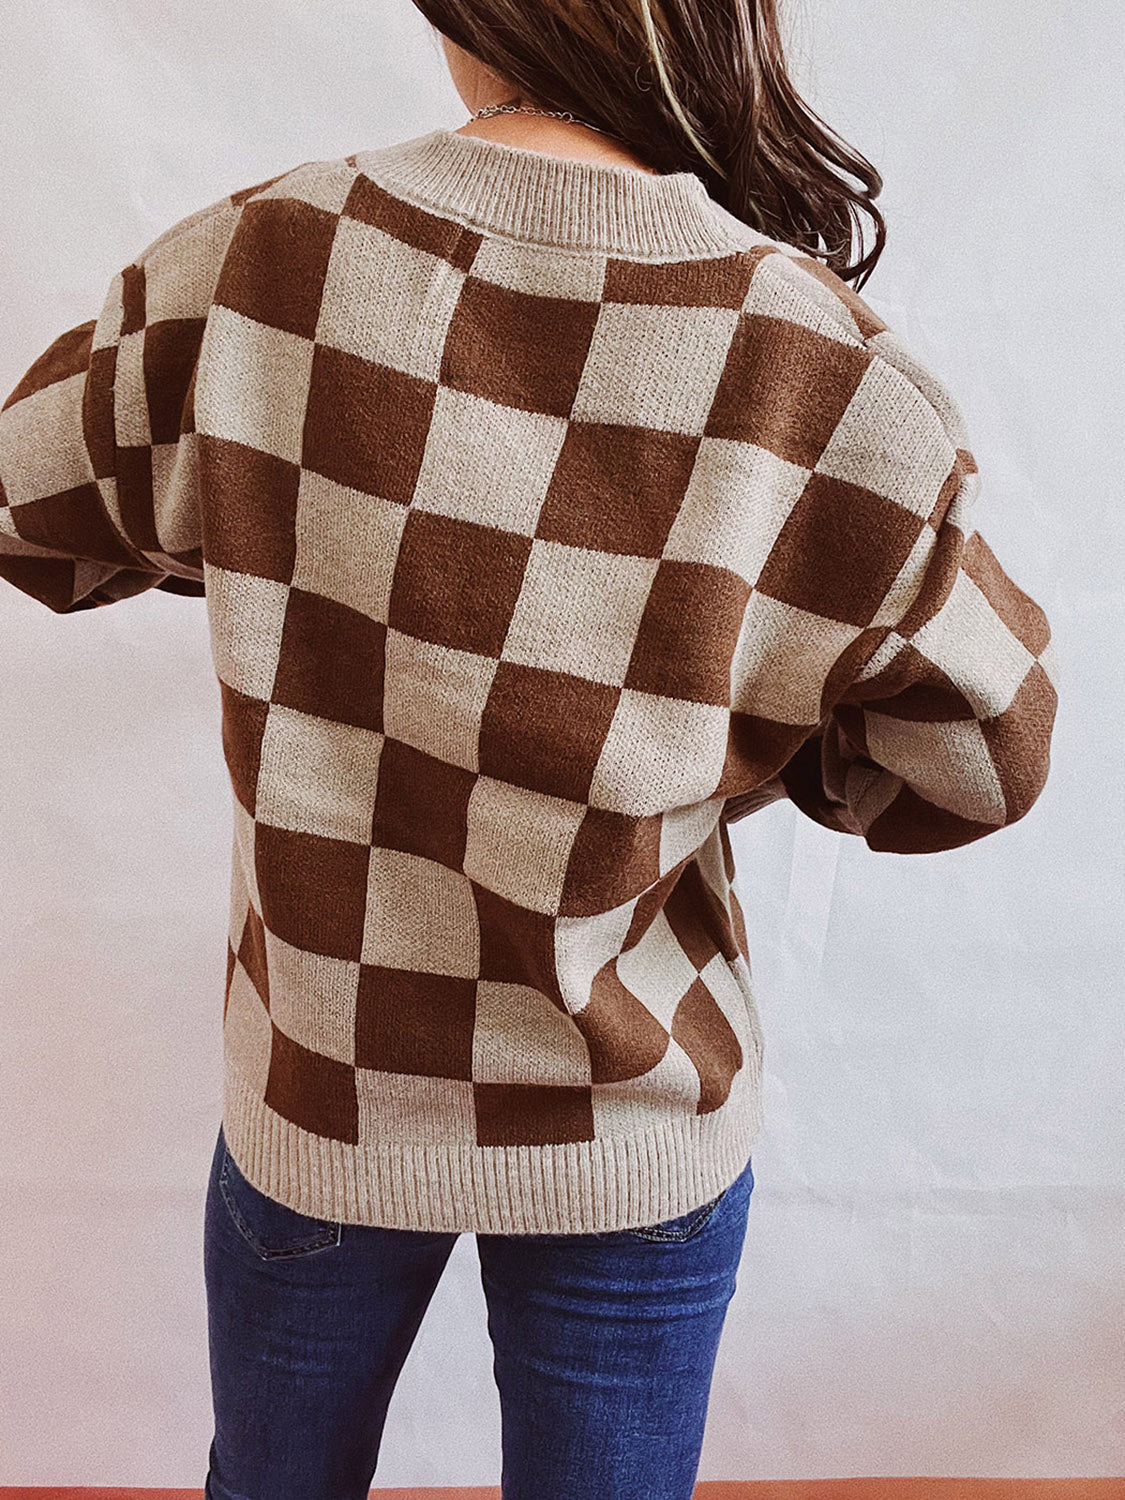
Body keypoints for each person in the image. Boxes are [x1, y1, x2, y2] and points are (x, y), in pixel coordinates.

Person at [0, 2, 1058, 1497]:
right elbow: (986, 756)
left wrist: (282, 548)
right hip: (637, 1109)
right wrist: (727, 726)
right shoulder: (818, 362)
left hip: (325, 1080)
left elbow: (30, 508)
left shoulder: (265, 262)